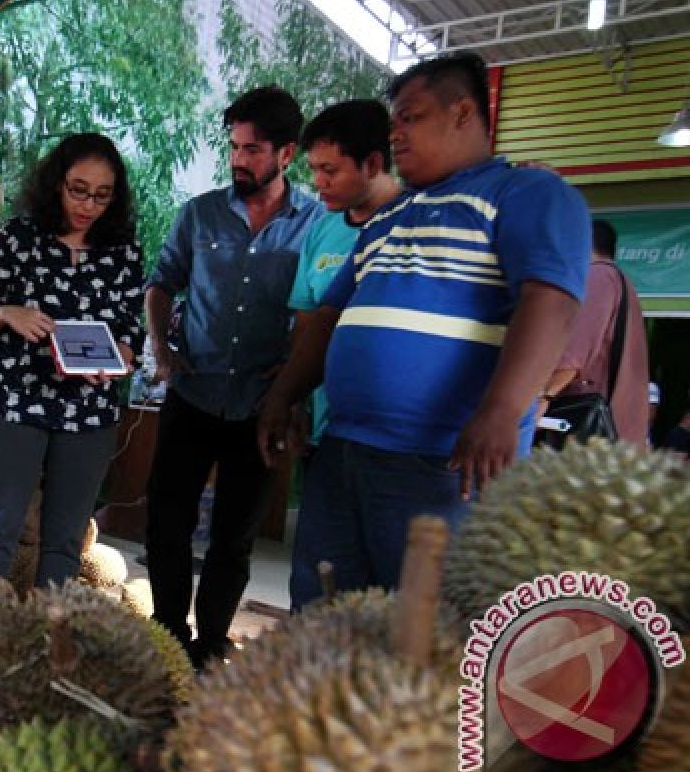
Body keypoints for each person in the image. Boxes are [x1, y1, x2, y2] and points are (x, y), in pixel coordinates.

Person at [258, 52, 590, 607]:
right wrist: (284, 394)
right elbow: (329, 318)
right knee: (321, 621)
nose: (396, 135)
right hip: (344, 451)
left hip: (444, 463)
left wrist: (502, 410)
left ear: (462, 113)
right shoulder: (388, 217)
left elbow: (549, 298)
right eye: (393, 123)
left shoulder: (525, 194)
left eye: (409, 118)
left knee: (429, 637)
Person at [144, 85, 324, 667]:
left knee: (233, 539)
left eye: (253, 149)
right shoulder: (199, 214)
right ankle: (167, 634)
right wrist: (161, 350)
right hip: (193, 396)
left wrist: (297, 381)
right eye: (235, 147)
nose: (239, 159)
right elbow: (161, 281)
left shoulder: (316, 226)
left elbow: (323, 307)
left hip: (262, 407)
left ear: (287, 154)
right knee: (166, 527)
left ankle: (211, 642)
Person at [0, 132, 146, 587]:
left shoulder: (123, 252)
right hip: (17, 398)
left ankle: (49, 640)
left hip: (89, 410)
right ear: (57, 183)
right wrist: (9, 313)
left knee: (66, 540)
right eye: (78, 190)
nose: (88, 205)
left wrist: (122, 354)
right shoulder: (20, 237)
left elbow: (130, 326)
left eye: (102, 196)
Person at [287, 99, 403, 457]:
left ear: (372, 164)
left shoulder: (417, 221)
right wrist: (292, 400)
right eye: (313, 169)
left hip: (398, 438)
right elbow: (306, 323)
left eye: (330, 170)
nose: (317, 182)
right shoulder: (322, 231)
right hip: (329, 430)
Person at [538, 220, 649, 446]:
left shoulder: (597, 276)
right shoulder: (621, 281)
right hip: (618, 428)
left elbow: (574, 354)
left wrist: (544, 395)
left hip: (591, 425)